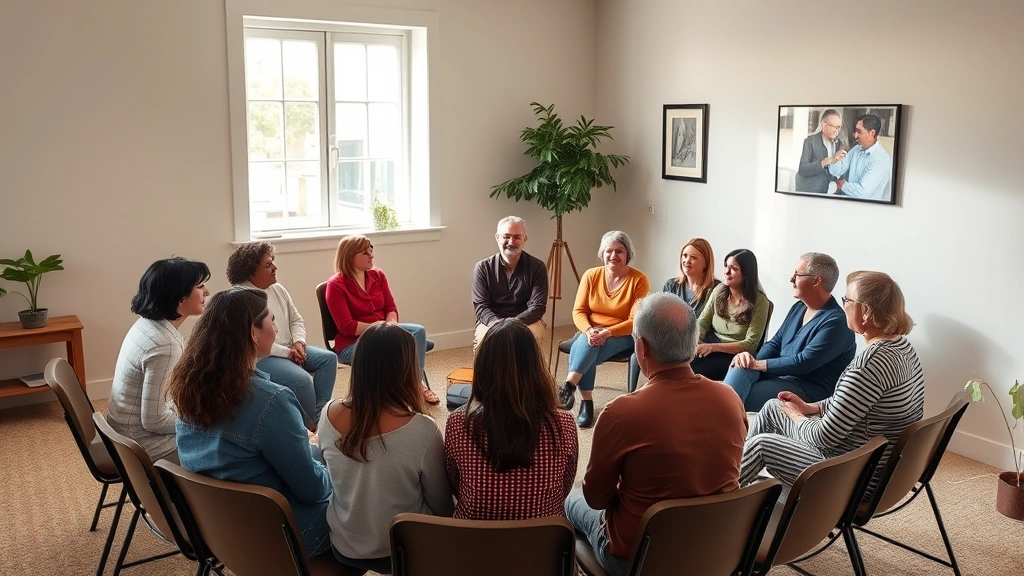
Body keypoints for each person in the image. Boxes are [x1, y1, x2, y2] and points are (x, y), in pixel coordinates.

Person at [566, 293, 747, 576]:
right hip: (714, 546)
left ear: (641, 346)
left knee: (570, 498)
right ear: (694, 340)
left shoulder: (621, 413)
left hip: (639, 561)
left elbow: (597, 500)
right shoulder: (730, 397)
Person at [167, 287, 332, 557]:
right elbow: (313, 490)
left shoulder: (187, 386)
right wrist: (328, 459)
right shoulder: (271, 401)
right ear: (253, 334)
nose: (277, 330)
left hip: (221, 529)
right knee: (362, 482)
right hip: (283, 537)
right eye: (272, 321)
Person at [739, 271, 924, 496]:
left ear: (865, 312)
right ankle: (738, 477)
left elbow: (823, 436)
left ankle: (721, 496)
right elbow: (854, 400)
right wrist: (813, 408)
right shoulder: (902, 348)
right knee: (772, 408)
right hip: (866, 459)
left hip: (851, 475)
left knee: (762, 445)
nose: (843, 305)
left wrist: (798, 417)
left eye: (847, 301)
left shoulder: (869, 364)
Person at [318, 324, 453, 573]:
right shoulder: (424, 430)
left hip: (345, 545)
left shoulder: (327, 413)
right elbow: (442, 506)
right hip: (402, 549)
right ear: (405, 371)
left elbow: (329, 471)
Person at [445, 319, 578, 520]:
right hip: (541, 545)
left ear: (482, 366)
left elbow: (456, 484)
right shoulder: (564, 424)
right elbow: (565, 486)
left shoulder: (457, 424)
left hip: (471, 545)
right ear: (536, 366)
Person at [723, 253, 856, 411]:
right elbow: (775, 343)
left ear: (816, 281)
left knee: (739, 397)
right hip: (779, 376)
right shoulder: (798, 308)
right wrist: (749, 361)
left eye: (797, 274)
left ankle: (718, 425)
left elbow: (803, 362)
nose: (791, 278)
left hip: (806, 389)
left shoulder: (837, 322)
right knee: (739, 367)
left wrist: (758, 365)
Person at [107, 257, 210, 461]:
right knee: (226, 442)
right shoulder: (165, 345)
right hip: (140, 445)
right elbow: (155, 420)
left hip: (121, 432)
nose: (206, 292)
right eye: (200, 286)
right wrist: (201, 421)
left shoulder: (147, 325)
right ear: (180, 298)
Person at [227, 241, 338, 428]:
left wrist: (299, 343)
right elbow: (256, 340)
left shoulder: (277, 288)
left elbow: (296, 319)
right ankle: (312, 427)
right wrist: (289, 353)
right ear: (250, 270)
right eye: (268, 265)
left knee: (328, 359)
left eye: (273, 262)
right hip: (263, 356)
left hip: (291, 348)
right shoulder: (241, 298)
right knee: (301, 380)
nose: (275, 267)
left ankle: (321, 416)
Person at [325, 235, 439, 405]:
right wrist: (378, 327)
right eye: (365, 252)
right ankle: (392, 395)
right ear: (349, 255)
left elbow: (391, 308)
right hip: (353, 342)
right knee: (393, 347)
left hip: (384, 331)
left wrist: (391, 325)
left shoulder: (378, 275)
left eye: (371, 249)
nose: (371, 255)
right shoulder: (336, 285)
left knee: (418, 331)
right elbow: (347, 326)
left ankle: (415, 383)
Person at [557, 231, 649, 428]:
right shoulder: (591, 275)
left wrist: (607, 332)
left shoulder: (639, 280)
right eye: (609, 251)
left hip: (623, 334)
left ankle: (572, 388)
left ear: (627, 254)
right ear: (602, 253)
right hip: (591, 330)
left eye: (619, 251)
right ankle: (584, 399)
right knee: (588, 342)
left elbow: (634, 321)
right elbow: (579, 311)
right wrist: (590, 330)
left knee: (584, 347)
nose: (613, 255)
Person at [627, 238, 719, 392]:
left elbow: (712, 325)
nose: (687, 261)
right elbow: (660, 316)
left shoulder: (716, 289)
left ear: (706, 263)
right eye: (685, 256)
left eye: (694, 258)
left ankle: (657, 392)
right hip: (670, 341)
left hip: (698, 345)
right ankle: (635, 394)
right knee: (638, 355)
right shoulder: (672, 285)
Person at [690, 249, 770, 381]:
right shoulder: (719, 290)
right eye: (726, 266)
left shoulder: (760, 302)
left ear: (746, 274)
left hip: (735, 354)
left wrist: (712, 348)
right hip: (710, 345)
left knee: (693, 370)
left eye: (734, 268)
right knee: (677, 363)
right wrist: (695, 339)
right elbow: (703, 320)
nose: (726, 272)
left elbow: (750, 344)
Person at [471, 216, 548, 352]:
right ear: (497, 238)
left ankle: (530, 374)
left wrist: (513, 323)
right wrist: (498, 324)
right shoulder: (482, 267)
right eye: (506, 236)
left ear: (525, 239)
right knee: (484, 341)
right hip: (492, 321)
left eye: (517, 237)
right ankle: (486, 374)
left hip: (527, 321)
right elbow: (480, 306)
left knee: (530, 341)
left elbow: (538, 307)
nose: (511, 242)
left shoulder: (537, 267)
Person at [828, 113, 893, 200]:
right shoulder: (856, 149)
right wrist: (835, 159)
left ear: (872, 133)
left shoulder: (881, 159)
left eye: (859, 131)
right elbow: (836, 171)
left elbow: (863, 193)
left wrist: (843, 184)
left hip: (866, 208)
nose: (855, 135)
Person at [795, 109, 847, 194]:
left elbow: (840, 168)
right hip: (811, 192)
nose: (836, 131)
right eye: (834, 126)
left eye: (839, 127)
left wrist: (841, 177)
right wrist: (827, 161)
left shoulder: (839, 143)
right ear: (823, 124)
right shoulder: (810, 141)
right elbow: (802, 169)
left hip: (830, 191)